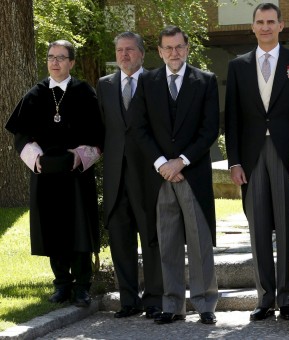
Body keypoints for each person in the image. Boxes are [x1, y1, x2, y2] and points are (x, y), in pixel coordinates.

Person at [224, 2, 289, 321]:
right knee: (259, 228)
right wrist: (233, 161)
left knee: (288, 228)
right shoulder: (238, 66)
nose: (265, 26)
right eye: (260, 22)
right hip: (250, 158)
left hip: (286, 156)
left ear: (281, 26)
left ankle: (288, 294)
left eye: (271, 21)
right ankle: (264, 297)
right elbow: (231, 119)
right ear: (252, 27)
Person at [128, 25, 219, 325]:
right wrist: (161, 163)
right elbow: (139, 128)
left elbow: (209, 130)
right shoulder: (148, 81)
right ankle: (173, 305)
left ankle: (205, 304)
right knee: (166, 241)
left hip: (192, 174)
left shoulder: (204, 81)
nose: (173, 53)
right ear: (159, 51)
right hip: (160, 176)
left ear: (187, 47)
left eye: (178, 47)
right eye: (168, 48)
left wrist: (180, 162)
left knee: (199, 240)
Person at [5, 40, 103, 308]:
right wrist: (35, 159)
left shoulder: (85, 93)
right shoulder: (35, 95)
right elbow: (20, 135)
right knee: (53, 229)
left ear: (71, 62)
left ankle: (82, 287)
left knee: (79, 230)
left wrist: (80, 156)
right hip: (46, 174)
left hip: (76, 175)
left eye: (61, 57)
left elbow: (99, 136)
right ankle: (61, 284)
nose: (55, 62)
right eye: (51, 57)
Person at [97, 31, 163, 319]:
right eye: (120, 50)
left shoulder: (156, 83)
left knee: (151, 237)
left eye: (130, 50)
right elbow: (102, 128)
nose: (124, 55)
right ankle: (128, 300)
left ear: (141, 53)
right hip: (115, 176)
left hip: (147, 174)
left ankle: (153, 299)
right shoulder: (104, 85)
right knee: (120, 237)